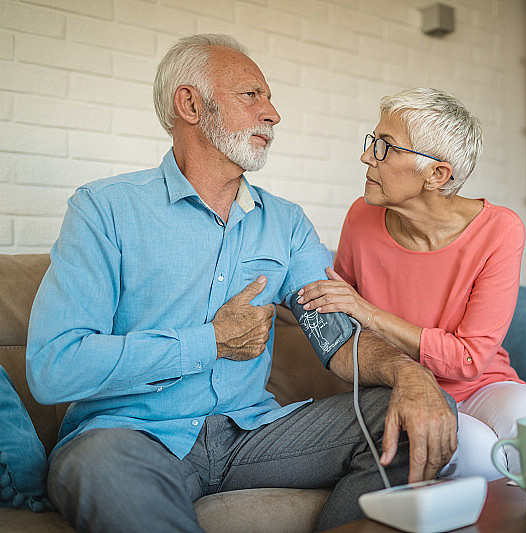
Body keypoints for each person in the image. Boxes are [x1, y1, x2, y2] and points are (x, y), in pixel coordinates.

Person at [26, 36, 457, 532]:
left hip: (252, 436)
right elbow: (53, 367)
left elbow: (338, 338)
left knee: (413, 415)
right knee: (98, 464)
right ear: (190, 104)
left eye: (270, 99)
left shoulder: (286, 224)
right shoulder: (105, 209)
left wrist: (408, 372)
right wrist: (208, 342)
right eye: (252, 95)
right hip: (129, 436)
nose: (273, 114)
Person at [297, 88, 526, 480]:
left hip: (484, 386)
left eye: (386, 147)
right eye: (373, 142)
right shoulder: (361, 217)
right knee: (471, 452)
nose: (367, 156)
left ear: (437, 175)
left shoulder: (500, 230)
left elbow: (469, 360)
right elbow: (342, 323)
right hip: (398, 388)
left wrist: (370, 313)